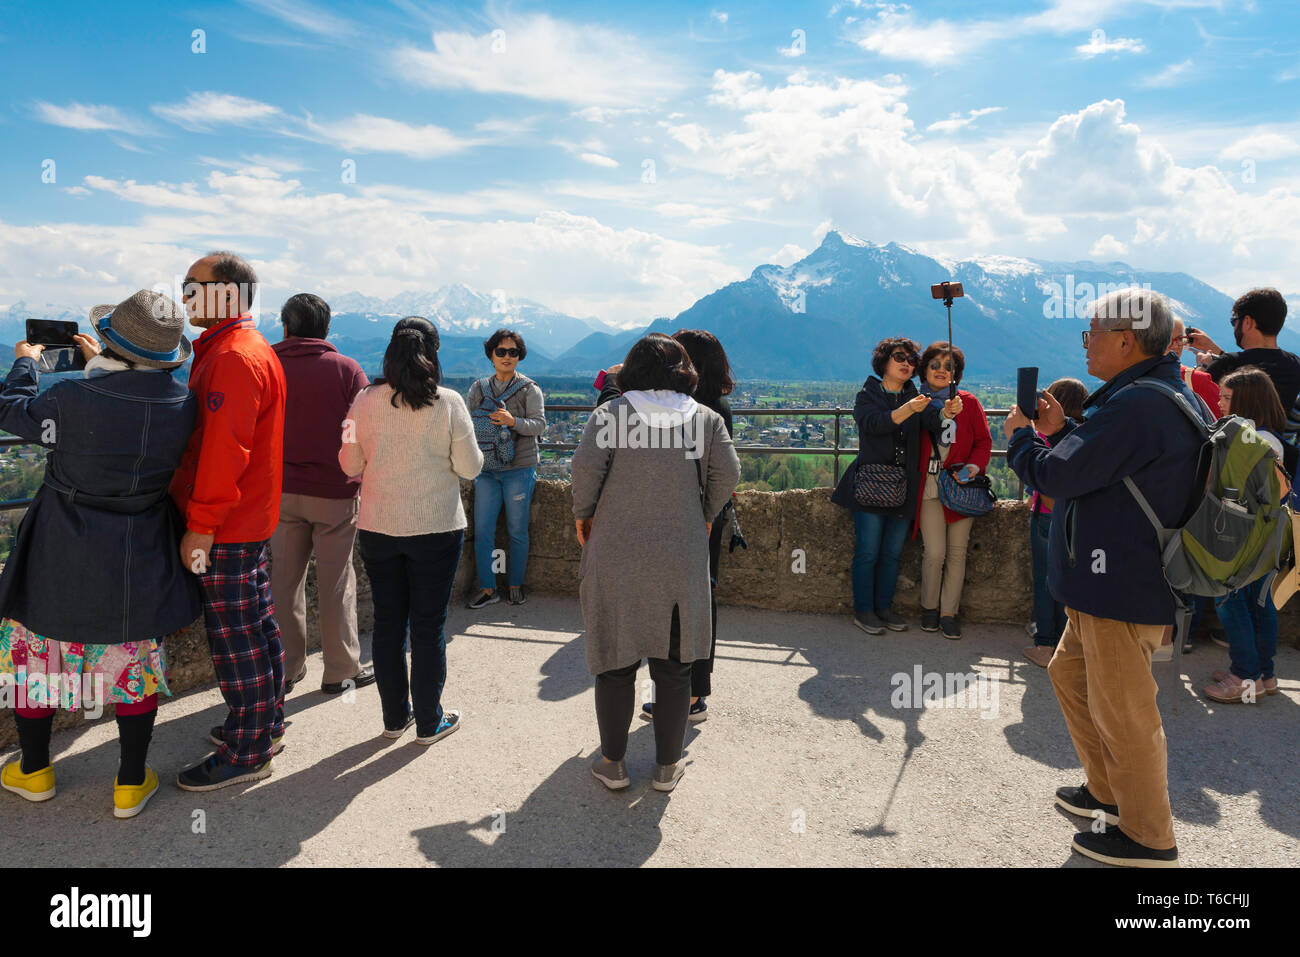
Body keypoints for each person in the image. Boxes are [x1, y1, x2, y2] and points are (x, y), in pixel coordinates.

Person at [1005, 288, 1207, 868]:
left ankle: (1149, 837)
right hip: (1110, 581)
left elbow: (1058, 475)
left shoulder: (1138, 405)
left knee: (1127, 714)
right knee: (1070, 675)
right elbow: (1106, 464)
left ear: (1125, 340)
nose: (1086, 342)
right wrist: (1065, 425)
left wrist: (1024, 436)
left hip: (1121, 584)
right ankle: (1107, 793)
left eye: (1091, 332)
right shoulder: (1155, 394)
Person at [0, 290, 199, 818]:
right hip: (141, 547)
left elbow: (12, 412)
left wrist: (26, 363)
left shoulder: (70, 398)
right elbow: (131, 410)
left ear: (109, 343)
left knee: (37, 656)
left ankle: (35, 770)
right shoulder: (183, 402)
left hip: (62, 544)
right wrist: (108, 370)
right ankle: (130, 781)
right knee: (133, 656)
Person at [571, 333, 740, 792]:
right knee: (675, 664)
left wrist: (584, 515)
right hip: (681, 552)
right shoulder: (704, 420)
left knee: (615, 661)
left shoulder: (611, 415)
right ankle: (667, 766)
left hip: (616, 550)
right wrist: (703, 516)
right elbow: (729, 473)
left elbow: (585, 470)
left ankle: (613, 763)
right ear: (685, 371)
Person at [171, 251, 288, 792]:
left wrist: (201, 523)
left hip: (227, 524)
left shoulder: (233, 358)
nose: (185, 293)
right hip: (250, 516)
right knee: (258, 626)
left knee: (234, 638)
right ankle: (265, 723)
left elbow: (224, 450)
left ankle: (248, 751)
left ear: (228, 293)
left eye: (193, 284)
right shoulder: (242, 347)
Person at [340, 317, 482, 743]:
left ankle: (393, 718)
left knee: (387, 624)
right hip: (437, 527)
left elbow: (348, 464)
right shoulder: (450, 402)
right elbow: (471, 468)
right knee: (427, 627)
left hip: (379, 527)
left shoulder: (364, 401)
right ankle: (428, 721)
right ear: (434, 353)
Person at [269, 293, 376, 696]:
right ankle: (340, 670)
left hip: (279, 491)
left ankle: (286, 668)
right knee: (335, 582)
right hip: (335, 491)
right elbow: (364, 425)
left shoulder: (267, 364)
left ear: (285, 327)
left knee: (283, 581)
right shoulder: (346, 369)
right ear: (327, 329)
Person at [829, 337, 956, 634]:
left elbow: (935, 424)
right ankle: (864, 610)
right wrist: (910, 410)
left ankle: (884, 607)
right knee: (868, 551)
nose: (907, 363)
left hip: (904, 487)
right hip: (871, 485)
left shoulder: (916, 397)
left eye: (912, 360)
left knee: (891, 553)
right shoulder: (868, 395)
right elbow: (874, 425)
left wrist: (947, 413)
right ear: (884, 361)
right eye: (900, 357)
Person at [1201, 366, 1290, 704]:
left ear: (1246, 401)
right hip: (1267, 533)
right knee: (1258, 604)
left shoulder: (1250, 438)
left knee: (1230, 601)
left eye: (1226, 398)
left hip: (1242, 534)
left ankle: (1244, 676)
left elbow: (1234, 490)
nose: (1220, 403)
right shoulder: (1271, 438)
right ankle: (1263, 675)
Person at [912, 342, 992, 640]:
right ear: (925, 368)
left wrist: (973, 467)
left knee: (957, 553)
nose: (942, 371)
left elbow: (984, 441)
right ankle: (929, 607)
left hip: (960, 485)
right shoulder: (916, 402)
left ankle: (948, 613)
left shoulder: (969, 402)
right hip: (929, 484)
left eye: (949, 366)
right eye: (935, 364)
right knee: (935, 553)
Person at [465, 329, 546, 609]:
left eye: (513, 352)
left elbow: (539, 425)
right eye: (501, 351)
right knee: (483, 530)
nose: (507, 357)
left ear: (519, 356)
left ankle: (515, 584)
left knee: (517, 530)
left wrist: (513, 422)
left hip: (519, 468)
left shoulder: (529, 389)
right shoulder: (478, 388)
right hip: (486, 469)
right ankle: (488, 588)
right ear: (491, 354)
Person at [1022, 378, 1087, 668]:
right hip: (1073, 519)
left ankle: (1044, 643)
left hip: (1045, 514)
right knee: (1068, 583)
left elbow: (1034, 473)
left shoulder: (1045, 434)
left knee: (1044, 581)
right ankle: (1066, 644)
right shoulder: (1085, 435)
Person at [1190, 288, 1300, 414]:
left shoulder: (1227, 365)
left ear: (1247, 322)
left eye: (1234, 321)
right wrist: (1217, 351)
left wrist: (1202, 367)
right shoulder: (1295, 364)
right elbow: (1254, 361)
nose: (1234, 327)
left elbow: (1192, 402)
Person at [1168, 317, 1220, 414]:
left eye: (1179, 339)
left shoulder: (1134, 374)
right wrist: (1202, 368)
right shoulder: (1199, 380)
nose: (1175, 345)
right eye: (1168, 339)